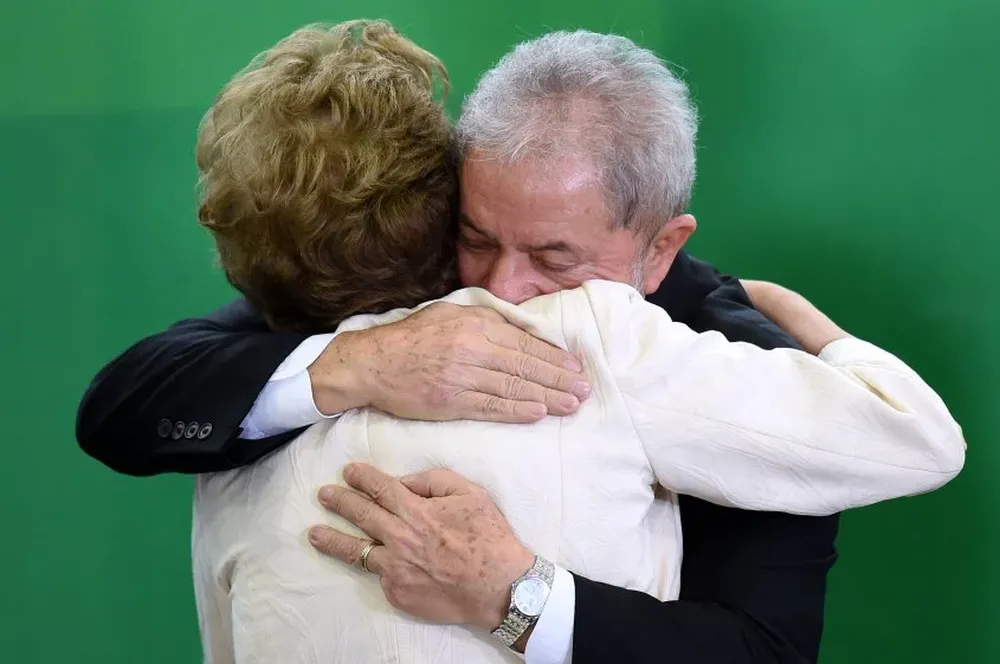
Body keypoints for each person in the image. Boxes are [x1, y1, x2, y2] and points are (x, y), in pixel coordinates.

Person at [75, 23, 961, 664]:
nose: (499, 290)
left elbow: (765, 649)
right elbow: (133, 404)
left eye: (553, 257)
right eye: (476, 235)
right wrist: (358, 365)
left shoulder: (707, 348)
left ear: (661, 248)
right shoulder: (400, 273)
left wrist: (518, 600)